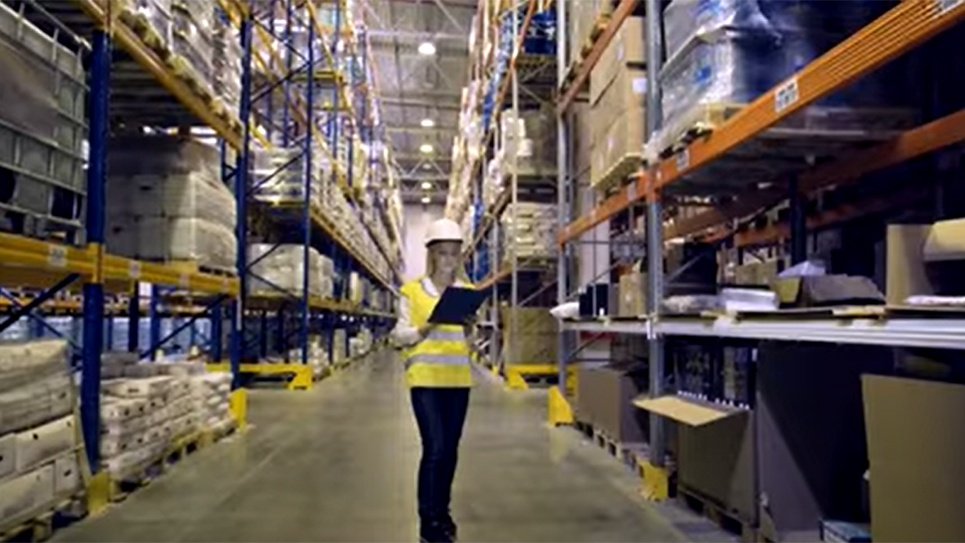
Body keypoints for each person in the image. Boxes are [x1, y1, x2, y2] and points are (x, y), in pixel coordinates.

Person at [392, 218, 474, 543]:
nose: (449, 260)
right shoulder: (412, 291)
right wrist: (425, 328)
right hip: (425, 380)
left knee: (451, 451)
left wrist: (468, 326)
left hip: (458, 381)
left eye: (454, 253)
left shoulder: (466, 292)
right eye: (443, 253)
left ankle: (443, 513)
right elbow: (398, 336)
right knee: (436, 449)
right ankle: (428, 523)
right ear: (431, 255)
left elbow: (465, 339)